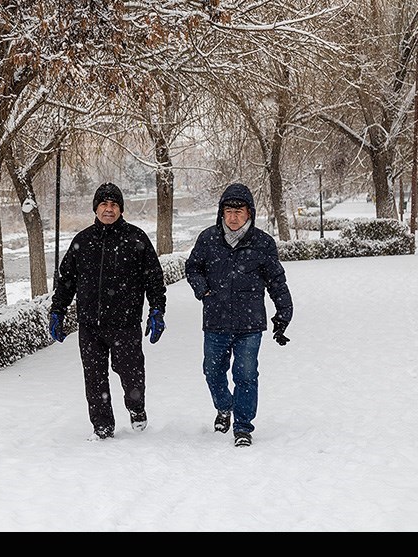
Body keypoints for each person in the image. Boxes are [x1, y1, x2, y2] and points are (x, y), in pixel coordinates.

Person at [49, 182, 167, 441]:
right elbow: (66, 280)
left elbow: (154, 279)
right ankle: (102, 425)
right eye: (104, 204)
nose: (109, 209)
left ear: (121, 209)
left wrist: (157, 310)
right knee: (94, 378)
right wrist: (57, 311)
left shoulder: (136, 239)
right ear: (96, 208)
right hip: (90, 326)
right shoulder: (82, 241)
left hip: (125, 324)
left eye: (114, 205)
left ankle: (136, 408)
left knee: (131, 373)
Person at [185, 182, 293, 447]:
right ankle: (224, 407)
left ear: (249, 213)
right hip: (215, 320)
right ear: (221, 212)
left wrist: (284, 312)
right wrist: (203, 291)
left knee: (245, 375)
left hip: (250, 323)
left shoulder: (263, 243)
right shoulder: (208, 239)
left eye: (239, 211)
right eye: (228, 211)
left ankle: (243, 427)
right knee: (212, 371)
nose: (233, 217)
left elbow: (276, 280)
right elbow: (192, 267)